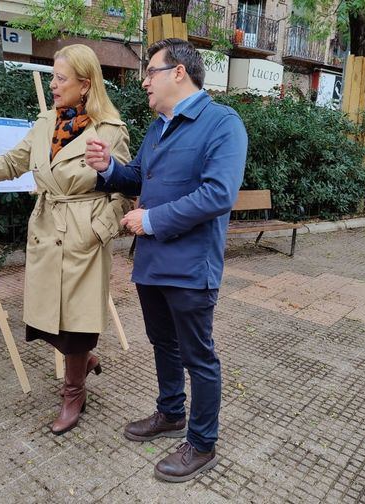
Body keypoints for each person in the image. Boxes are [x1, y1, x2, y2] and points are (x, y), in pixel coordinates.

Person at [0, 44, 132, 435]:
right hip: (48, 229)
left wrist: (100, 230)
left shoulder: (111, 129)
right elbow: (13, 161)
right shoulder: (47, 123)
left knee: (76, 322)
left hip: (85, 232)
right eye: (53, 78)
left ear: (85, 84)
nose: (53, 86)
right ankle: (86, 360)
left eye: (61, 79)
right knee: (45, 320)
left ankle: (73, 391)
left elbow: (126, 188)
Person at [85, 38, 247, 482]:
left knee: (199, 356)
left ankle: (202, 441)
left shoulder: (222, 123)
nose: (143, 82)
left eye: (150, 71)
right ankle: (171, 413)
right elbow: (136, 175)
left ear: (178, 72)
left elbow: (218, 194)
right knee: (163, 344)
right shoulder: (159, 126)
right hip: (152, 263)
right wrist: (106, 169)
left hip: (191, 266)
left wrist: (151, 219)